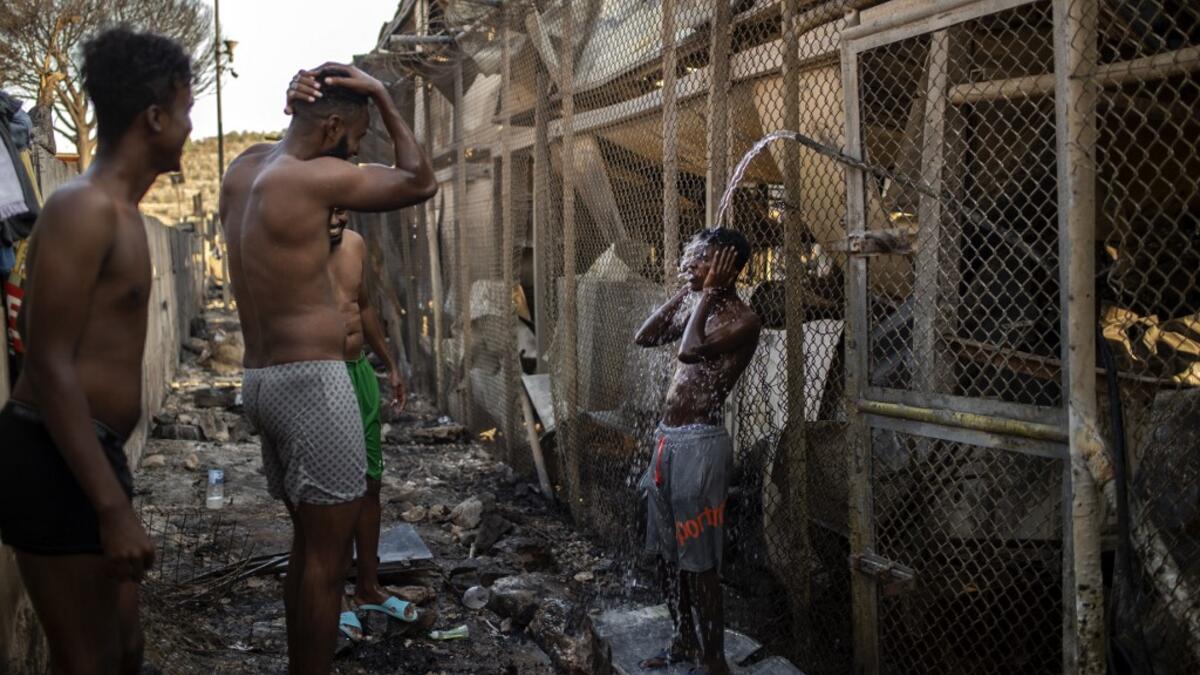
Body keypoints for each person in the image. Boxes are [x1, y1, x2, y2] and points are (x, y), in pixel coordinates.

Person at [220, 63, 434, 675]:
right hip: (314, 384)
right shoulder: (318, 180)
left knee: (307, 551)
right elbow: (420, 180)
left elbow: (287, 138)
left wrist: (296, 110)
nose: (362, 147)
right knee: (326, 563)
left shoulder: (245, 169)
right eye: (359, 133)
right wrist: (386, 99)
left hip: (260, 383)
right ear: (335, 123)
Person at [0, 27, 194, 674]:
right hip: (52, 454)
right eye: (187, 110)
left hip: (89, 454)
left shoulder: (119, 212)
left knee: (124, 651)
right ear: (155, 115)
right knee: (87, 660)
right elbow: (46, 360)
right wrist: (111, 506)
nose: (191, 127)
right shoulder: (82, 209)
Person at [633, 228, 762, 675]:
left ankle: (714, 659)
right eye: (688, 257)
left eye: (701, 259)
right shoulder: (696, 305)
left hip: (700, 447)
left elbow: (689, 353)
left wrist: (705, 294)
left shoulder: (742, 319)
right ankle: (684, 642)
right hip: (668, 440)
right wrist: (689, 291)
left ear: (728, 266)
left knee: (699, 562)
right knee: (668, 558)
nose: (689, 264)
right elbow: (645, 337)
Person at [324, 208, 413, 640]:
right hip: (322, 377)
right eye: (328, 205)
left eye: (343, 205)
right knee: (328, 494)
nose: (337, 215)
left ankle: (367, 587)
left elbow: (364, 306)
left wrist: (390, 363)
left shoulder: (356, 244)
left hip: (358, 371)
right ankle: (332, 594)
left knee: (370, 482)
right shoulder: (295, 251)